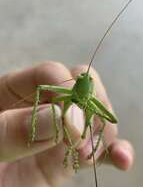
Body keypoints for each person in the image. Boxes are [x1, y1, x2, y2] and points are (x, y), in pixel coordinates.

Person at [0, 61, 134, 187]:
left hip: (89, 105)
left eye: (87, 81)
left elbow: (111, 120)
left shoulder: (92, 98)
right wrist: (36, 123)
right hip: (70, 100)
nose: (84, 80)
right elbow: (45, 91)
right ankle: (49, 132)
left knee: (103, 121)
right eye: (81, 79)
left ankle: (85, 149)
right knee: (53, 101)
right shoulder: (68, 91)